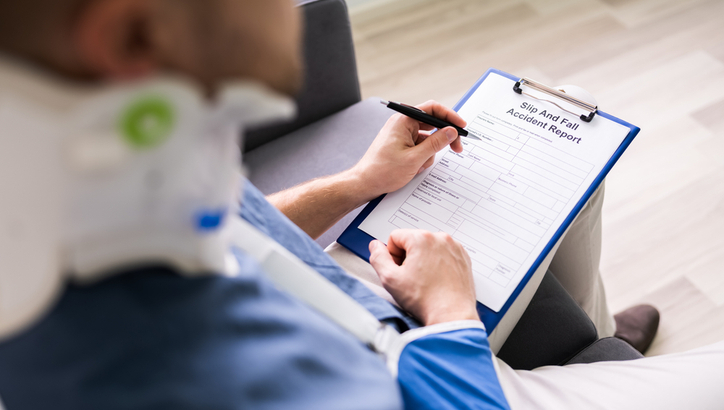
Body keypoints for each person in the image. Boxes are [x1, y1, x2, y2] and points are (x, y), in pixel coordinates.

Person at [0, 0, 722, 409]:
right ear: (131, 31)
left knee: (575, 175)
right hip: (442, 383)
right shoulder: (191, 377)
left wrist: (358, 183)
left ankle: (592, 348)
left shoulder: (92, 153)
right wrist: (449, 317)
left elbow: (225, 237)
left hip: (367, 322)